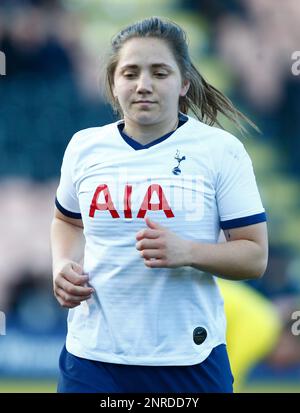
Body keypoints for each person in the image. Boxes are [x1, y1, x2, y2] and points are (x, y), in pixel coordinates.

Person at [50, 16, 268, 393]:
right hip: (92, 358)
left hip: (189, 359)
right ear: (113, 83)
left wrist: (188, 251)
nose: (144, 85)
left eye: (160, 72)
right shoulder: (84, 146)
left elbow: (254, 257)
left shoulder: (221, 151)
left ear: (184, 82)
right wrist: (61, 265)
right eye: (130, 73)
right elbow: (66, 221)